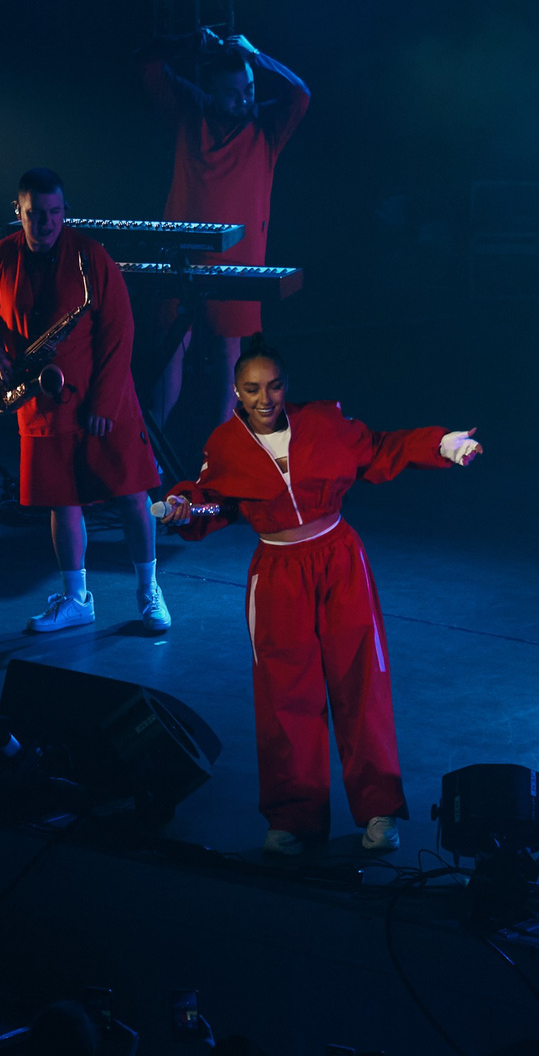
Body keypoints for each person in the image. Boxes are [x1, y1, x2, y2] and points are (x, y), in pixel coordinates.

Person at [158, 339, 480, 855]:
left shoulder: (325, 422)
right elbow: (212, 502)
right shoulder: (225, 444)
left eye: (275, 385)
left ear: (288, 385)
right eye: (252, 389)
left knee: (361, 683)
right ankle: (293, 815)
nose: (266, 398)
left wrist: (442, 444)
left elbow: (379, 448)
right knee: (286, 695)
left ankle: (378, 810)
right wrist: (182, 507)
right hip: (278, 573)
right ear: (236, 393)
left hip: (339, 560)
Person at [0, 167, 169, 636]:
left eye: (54, 214)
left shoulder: (91, 258)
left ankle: (148, 591)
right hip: (41, 398)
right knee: (62, 502)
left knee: (132, 496)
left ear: (64, 212)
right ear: (18, 212)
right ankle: (77, 599)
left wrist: (104, 402)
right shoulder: (0, 256)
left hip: (103, 397)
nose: (45, 225)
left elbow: (120, 334)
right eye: (34, 215)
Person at [138, 27, 310, 431]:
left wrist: (256, 54)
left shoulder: (266, 128)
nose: (244, 99)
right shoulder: (190, 111)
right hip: (182, 263)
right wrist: (186, 43)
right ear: (212, 90)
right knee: (169, 361)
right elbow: (147, 65)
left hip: (239, 270)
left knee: (231, 375)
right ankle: (148, 467)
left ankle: (215, 465)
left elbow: (300, 95)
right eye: (233, 92)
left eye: (248, 89)